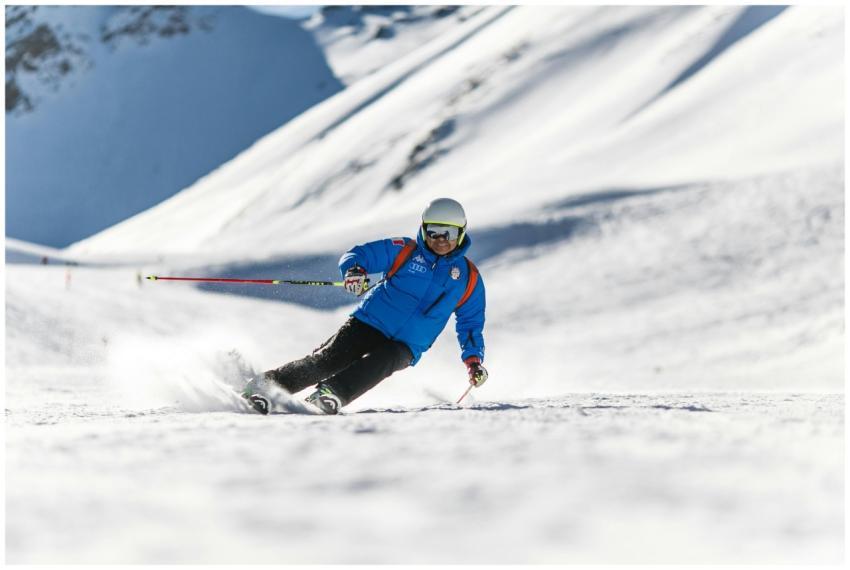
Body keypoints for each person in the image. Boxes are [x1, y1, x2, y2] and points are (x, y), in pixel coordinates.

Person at [243, 197, 488, 414]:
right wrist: (355, 271)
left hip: (408, 344)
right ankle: (263, 387)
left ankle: (330, 394)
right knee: (328, 361)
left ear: (461, 233)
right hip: (370, 322)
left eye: (450, 233)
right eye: (434, 232)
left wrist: (474, 361)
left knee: (383, 362)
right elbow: (359, 255)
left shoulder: (469, 278)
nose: (441, 240)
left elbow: (470, 324)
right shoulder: (405, 250)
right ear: (424, 230)